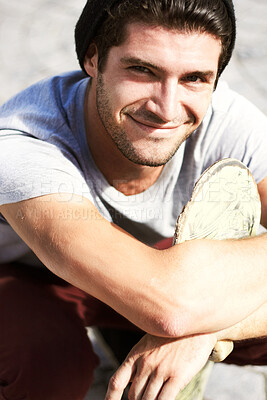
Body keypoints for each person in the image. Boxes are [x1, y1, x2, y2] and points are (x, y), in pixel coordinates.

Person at [0, 0, 266, 399]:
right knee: (46, 363)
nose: (167, 108)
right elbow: (168, 306)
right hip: (27, 281)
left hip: (149, 269)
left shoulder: (229, 122)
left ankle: (126, 327)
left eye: (194, 78)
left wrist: (201, 333)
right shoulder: (25, 145)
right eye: (142, 70)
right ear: (93, 58)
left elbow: (174, 308)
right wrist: (190, 315)